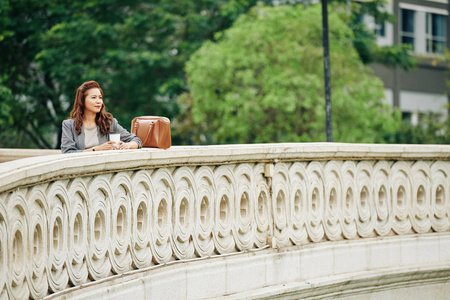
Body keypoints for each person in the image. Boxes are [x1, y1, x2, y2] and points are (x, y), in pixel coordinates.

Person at [61, 80, 142, 153]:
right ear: (82, 101)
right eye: (93, 97)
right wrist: (96, 149)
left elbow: (136, 140)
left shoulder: (109, 122)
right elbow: (67, 152)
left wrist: (128, 145)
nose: (98, 101)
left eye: (100, 98)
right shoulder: (69, 125)